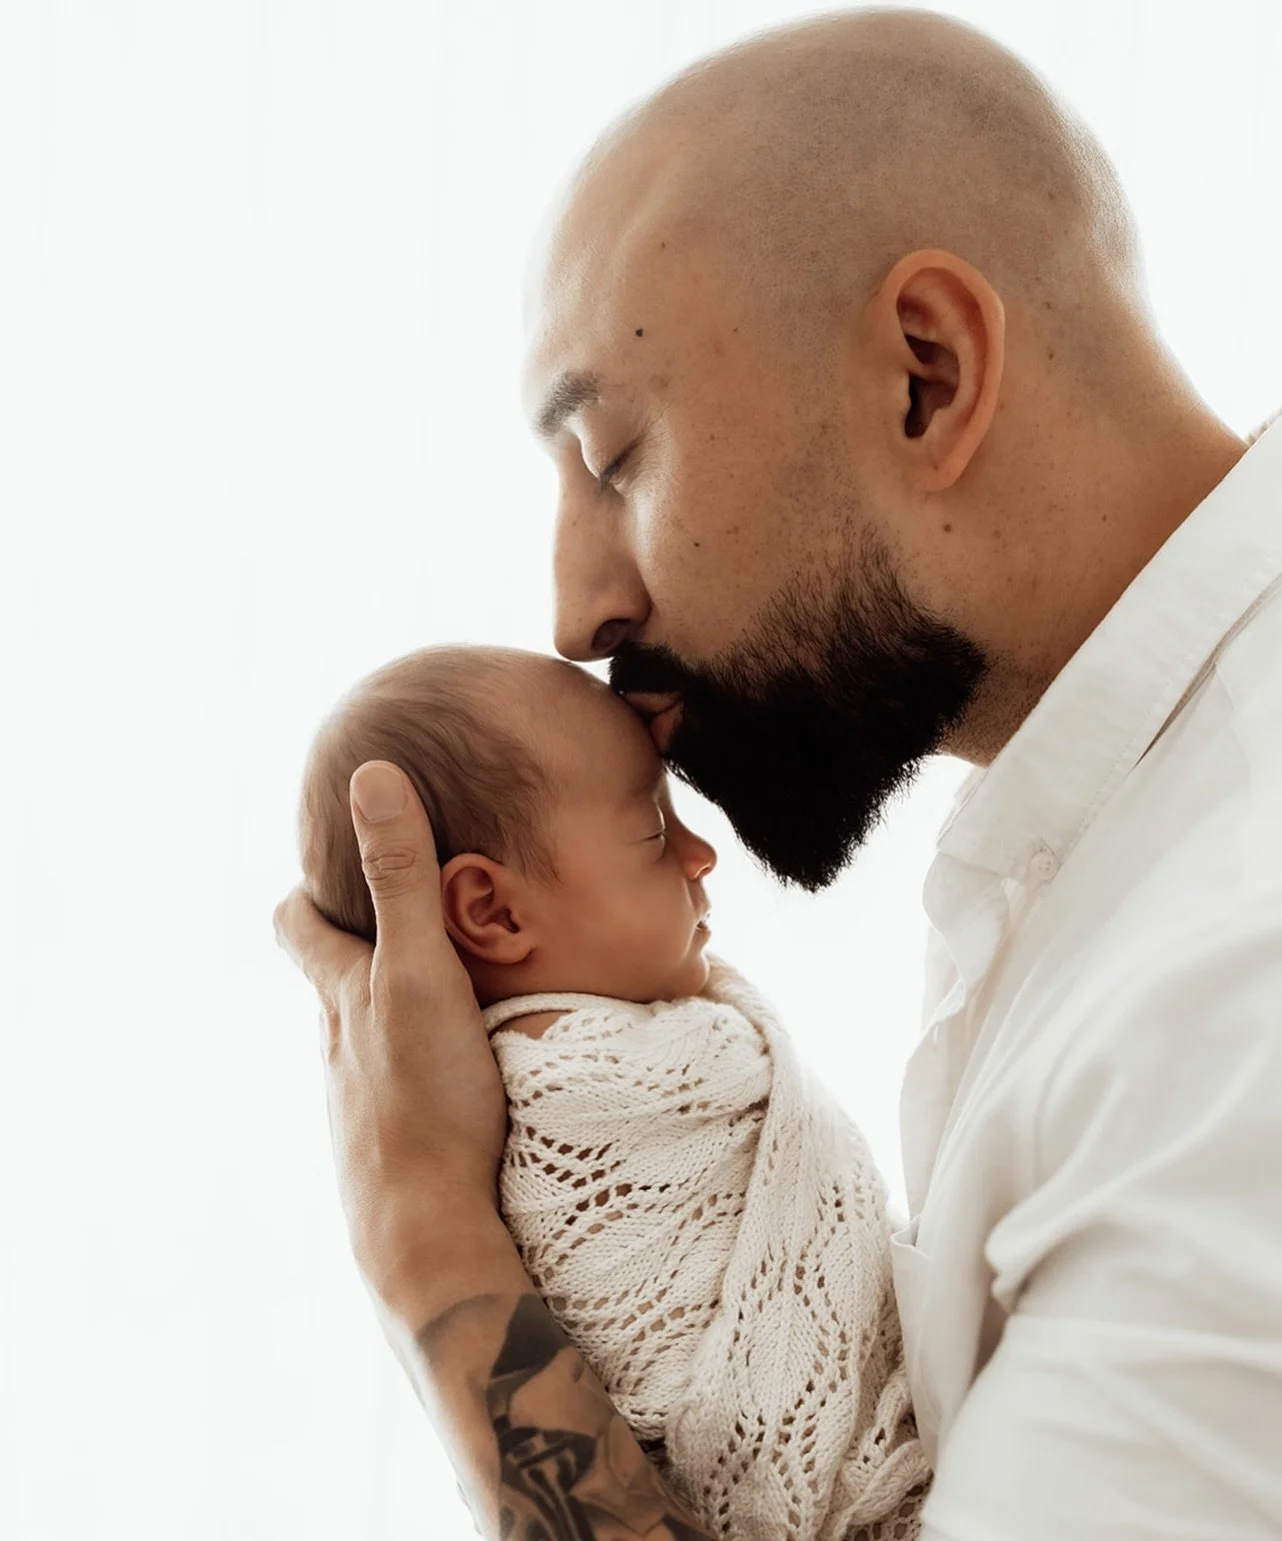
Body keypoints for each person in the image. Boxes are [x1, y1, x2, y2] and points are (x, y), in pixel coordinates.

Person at [274, 7, 1282, 1537]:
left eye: (616, 460)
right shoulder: (1122, 837)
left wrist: (429, 1242)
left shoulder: (1228, 989)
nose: (576, 612)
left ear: (924, 375)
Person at [297, 643, 930, 1539]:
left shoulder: (477, 1108)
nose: (701, 854)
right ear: (493, 911)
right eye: (654, 831)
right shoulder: (571, 1081)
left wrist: (420, 1217)